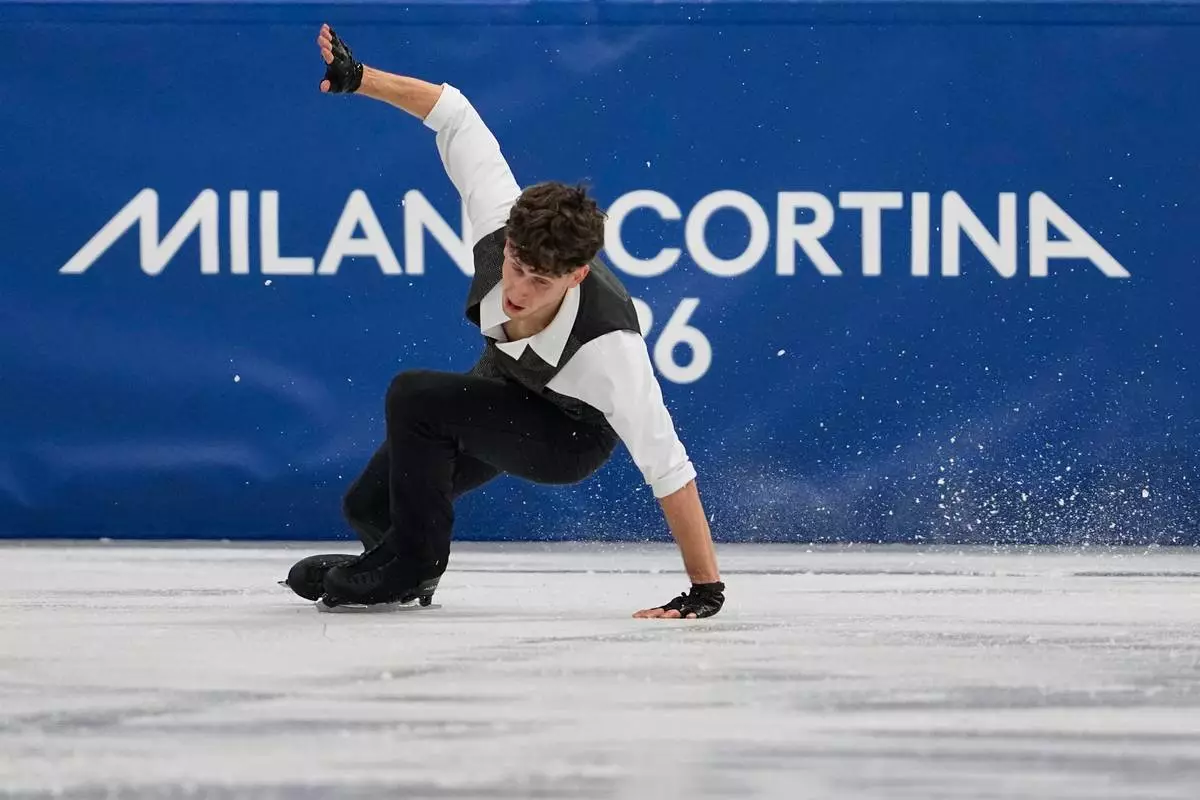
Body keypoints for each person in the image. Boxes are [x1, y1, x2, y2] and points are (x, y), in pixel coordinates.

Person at [284, 24, 725, 619]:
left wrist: (705, 590)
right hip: (506, 386)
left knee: (415, 395)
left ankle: (412, 566)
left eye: (539, 283)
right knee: (370, 506)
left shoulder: (607, 347)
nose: (515, 291)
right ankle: (397, 564)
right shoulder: (501, 225)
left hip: (565, 435)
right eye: (516, 266)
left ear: (575, 275)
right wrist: (362, 80)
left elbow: (669, 467)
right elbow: (456, 116)